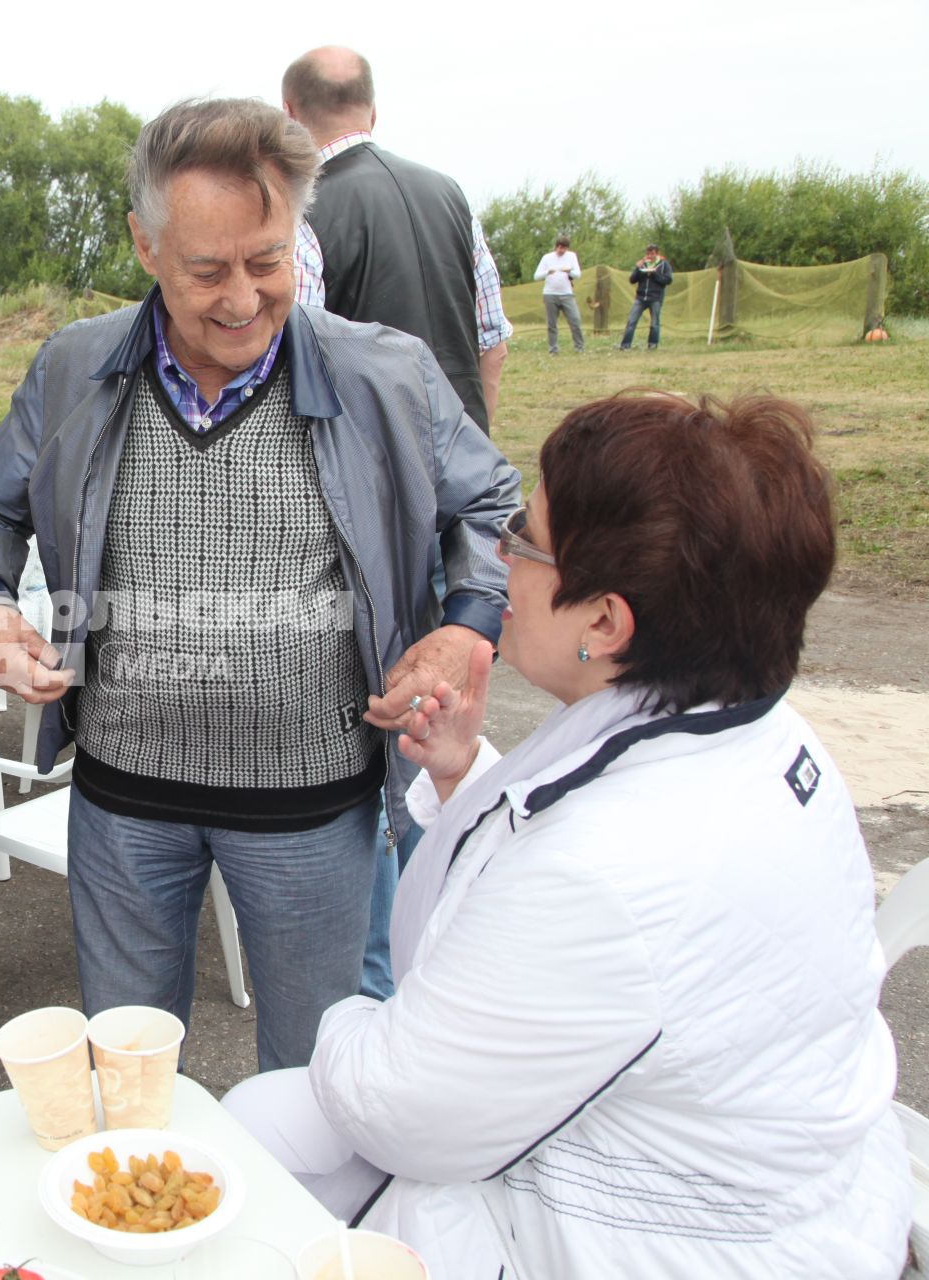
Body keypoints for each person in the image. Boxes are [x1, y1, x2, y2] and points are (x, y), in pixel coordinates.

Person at [223, 392, 909, 1279]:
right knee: (267, 1118)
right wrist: (463, 774)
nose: (499, 557)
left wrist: (351, 1018)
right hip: (781, 1165)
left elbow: (402, 1107)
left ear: (604, 622)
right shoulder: (763, 737)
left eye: (523, 537)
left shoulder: (612, 872)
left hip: (670, 1239)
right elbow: (574, 845)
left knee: (256, 1143)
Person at [0, 98, 519, 1072]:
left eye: (268, 258)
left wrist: (469, 621)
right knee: (127, 1075)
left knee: (315, 1080)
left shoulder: (385, 371)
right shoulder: (76, 366)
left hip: (314, 808)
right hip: (123, 803)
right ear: (145, 244)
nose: (243, 297)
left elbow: (492, 503)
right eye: (208, 269)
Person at [282, 46, 511, 431]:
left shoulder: (301, 209)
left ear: (289, 114)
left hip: (367, 458)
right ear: (372, 111)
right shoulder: (451, 194)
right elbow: (493, 345)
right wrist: (475, 447)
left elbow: (297, 355)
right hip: (464, 450)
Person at [535, 235, 585, 354]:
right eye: (559, 247)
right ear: (556, 246)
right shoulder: (547, 258)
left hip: (566, 293)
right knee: (552, 324)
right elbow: (536, 276)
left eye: (563, 248)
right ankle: (553, 349)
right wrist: (547, 272)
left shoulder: (572, 256)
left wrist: (569, 271)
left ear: (567, 248)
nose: (560, 250)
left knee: (575, 320)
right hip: (550, 294)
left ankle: (579, 347)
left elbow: (578, 274)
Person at [621, 243, 675, 350]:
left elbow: (668, 280)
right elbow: (632, 280)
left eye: (652, 253)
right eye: (648, 253)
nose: (650, 256)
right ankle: (625, 345)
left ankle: (652, 344)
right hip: (640, 297)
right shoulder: (643, 264)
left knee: (655, 323)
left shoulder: (664, 264)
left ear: (657, 253)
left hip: (655, 297)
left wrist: (654, 274)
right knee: (631, 321)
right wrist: (638, 269)